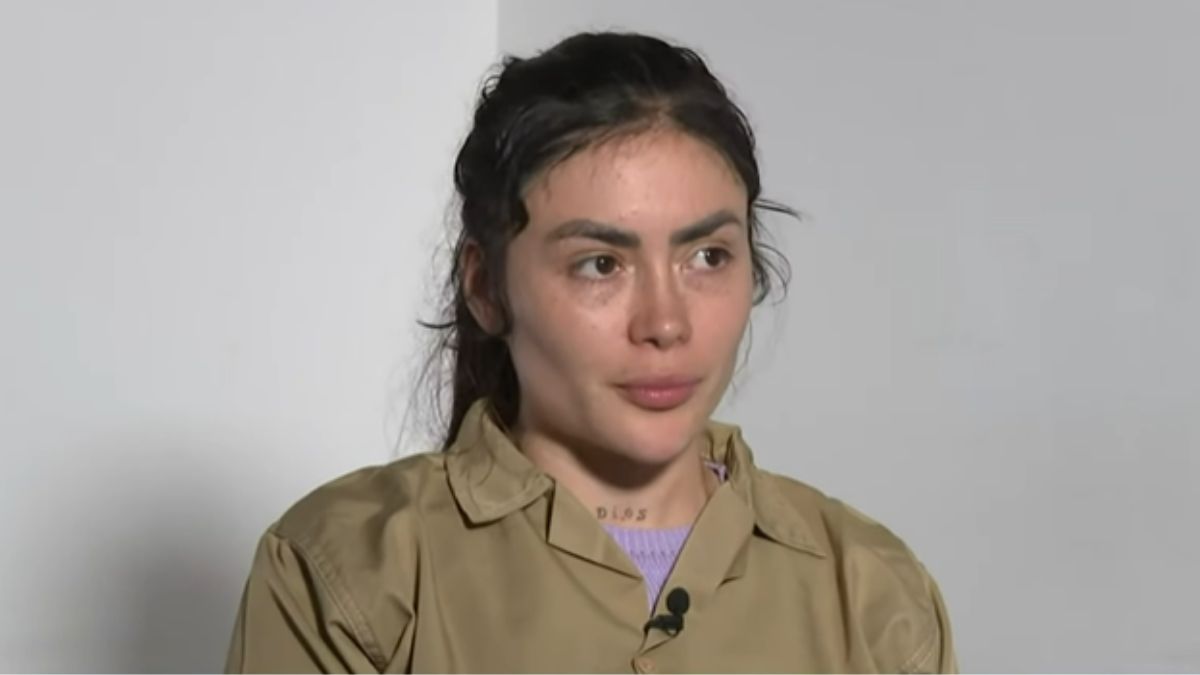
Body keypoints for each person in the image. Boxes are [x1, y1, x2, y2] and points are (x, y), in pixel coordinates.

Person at [225, 31, 956, 674]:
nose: (665, 323)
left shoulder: (875, 594)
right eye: (601, 264)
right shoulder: (347, 571)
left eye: (707, 256)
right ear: (486, 288)